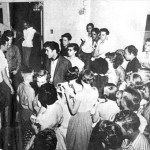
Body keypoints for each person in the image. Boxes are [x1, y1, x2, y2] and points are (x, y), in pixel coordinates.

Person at [65, 69, 99, 150]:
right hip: (88, 117)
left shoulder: (80, 94)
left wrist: (67, 96)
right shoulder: (95, 90)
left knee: (74, 143)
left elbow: (73, 111)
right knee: (83, 142)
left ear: (81, 79)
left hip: (78, 119)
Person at [0, 37, 14, 150]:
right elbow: (4, 76)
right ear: (3, 44)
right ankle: (6, 143)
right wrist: (11, 88)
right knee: (7, 113)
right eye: (7, 44)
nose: (8, 46)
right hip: (3, 86)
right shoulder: (1, 56)